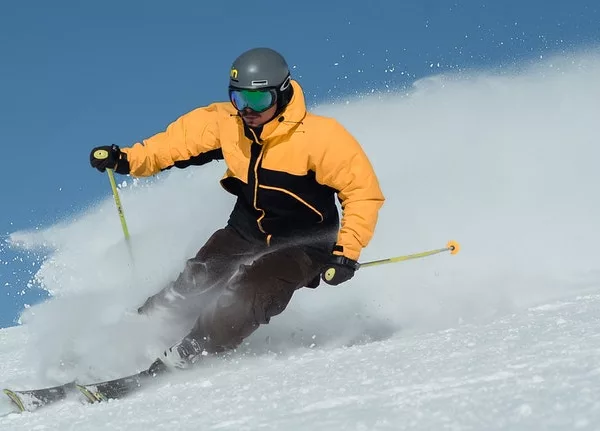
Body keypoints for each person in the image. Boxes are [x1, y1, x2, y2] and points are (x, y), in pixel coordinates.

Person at [90, 47, 385, 371]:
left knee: (248, 294)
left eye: (257, 101)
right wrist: (129, 159)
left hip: (306, 244)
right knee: (197, 278)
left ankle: (189, 353)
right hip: (248, 229)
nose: (247, 110)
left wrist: (346, 253)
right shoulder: (229, 124)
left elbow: (362, 192)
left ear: (282, 93)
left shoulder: (321, 138)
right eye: (239, 99)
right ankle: (133, 336)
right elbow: (174, 144)